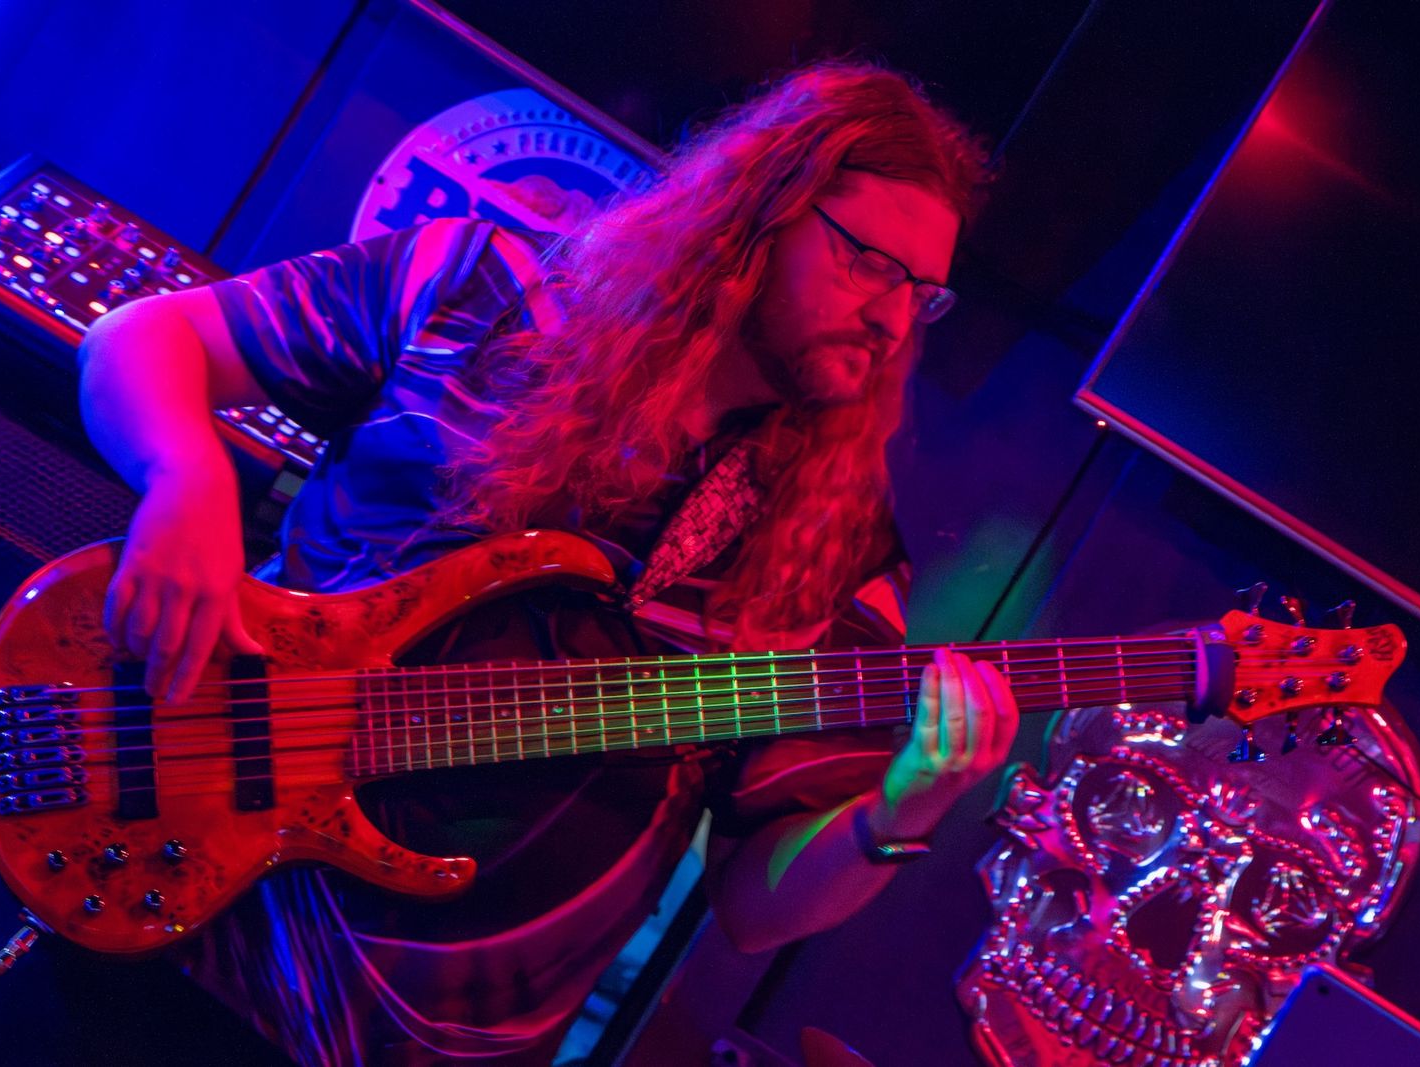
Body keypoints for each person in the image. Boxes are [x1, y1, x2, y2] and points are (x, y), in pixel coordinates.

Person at [77, 60, 1019, 1065]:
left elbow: (753, 906)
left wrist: (901, 806)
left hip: (447, 1044)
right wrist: (187, 481)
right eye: (871, 264)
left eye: (923, 295)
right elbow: (143, 339)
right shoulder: (471, 287)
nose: (892, 321)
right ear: (765, 211)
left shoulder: (843, 552)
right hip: (181, 900)